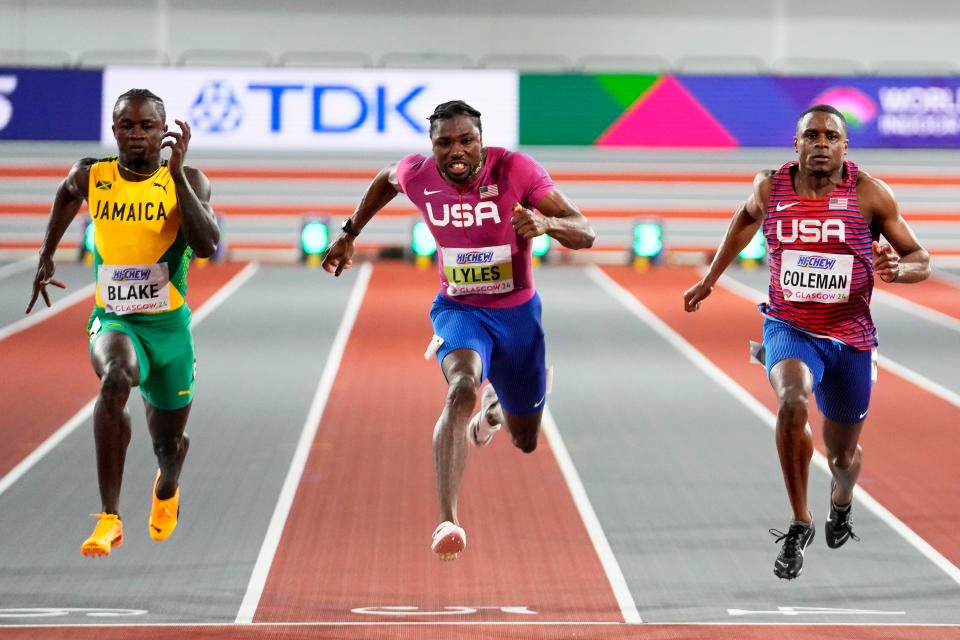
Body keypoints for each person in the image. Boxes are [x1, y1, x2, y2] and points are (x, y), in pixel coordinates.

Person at [321, 100, 595, 560]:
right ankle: (447, 521)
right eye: (444, 142)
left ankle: (492, 414)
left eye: (466, 140)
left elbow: (585, 231)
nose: (456, 151)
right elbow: (385, 179)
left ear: (481, 140)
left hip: (517, 318)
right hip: (458, 310)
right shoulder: (418, 174)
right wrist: (350, 231)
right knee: (460, 386)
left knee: (525, 440)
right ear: (432, 146)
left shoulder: (516, 171)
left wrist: (545, 223)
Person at [683, 104, 930, 580]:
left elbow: (919, 256)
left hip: (851, 338)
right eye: (811, 135)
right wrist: (711, 279)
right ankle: (800, 520)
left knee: (842, 458)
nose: (821, 143)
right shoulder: (769, 186)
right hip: (789, 326)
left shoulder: (870, 195)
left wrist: (900, 270)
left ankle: (840, 499)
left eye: (830, 136)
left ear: (844, 146)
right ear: (795, 144)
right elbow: (742, 222)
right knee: (792, 402)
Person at [25, 89, 220, 557]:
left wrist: (176, 178)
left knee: (168, 445)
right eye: (126, 126)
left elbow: (209, 243)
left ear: (164, 130)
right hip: (114, 318)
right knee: (115, 381)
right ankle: (109, 518)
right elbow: (67, 194)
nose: (136, 135)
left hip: (169, 329)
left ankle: (168, 485)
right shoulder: (93, 175)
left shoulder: (189, 178)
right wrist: (47, 252)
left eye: (147, 126)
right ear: (113, 131)